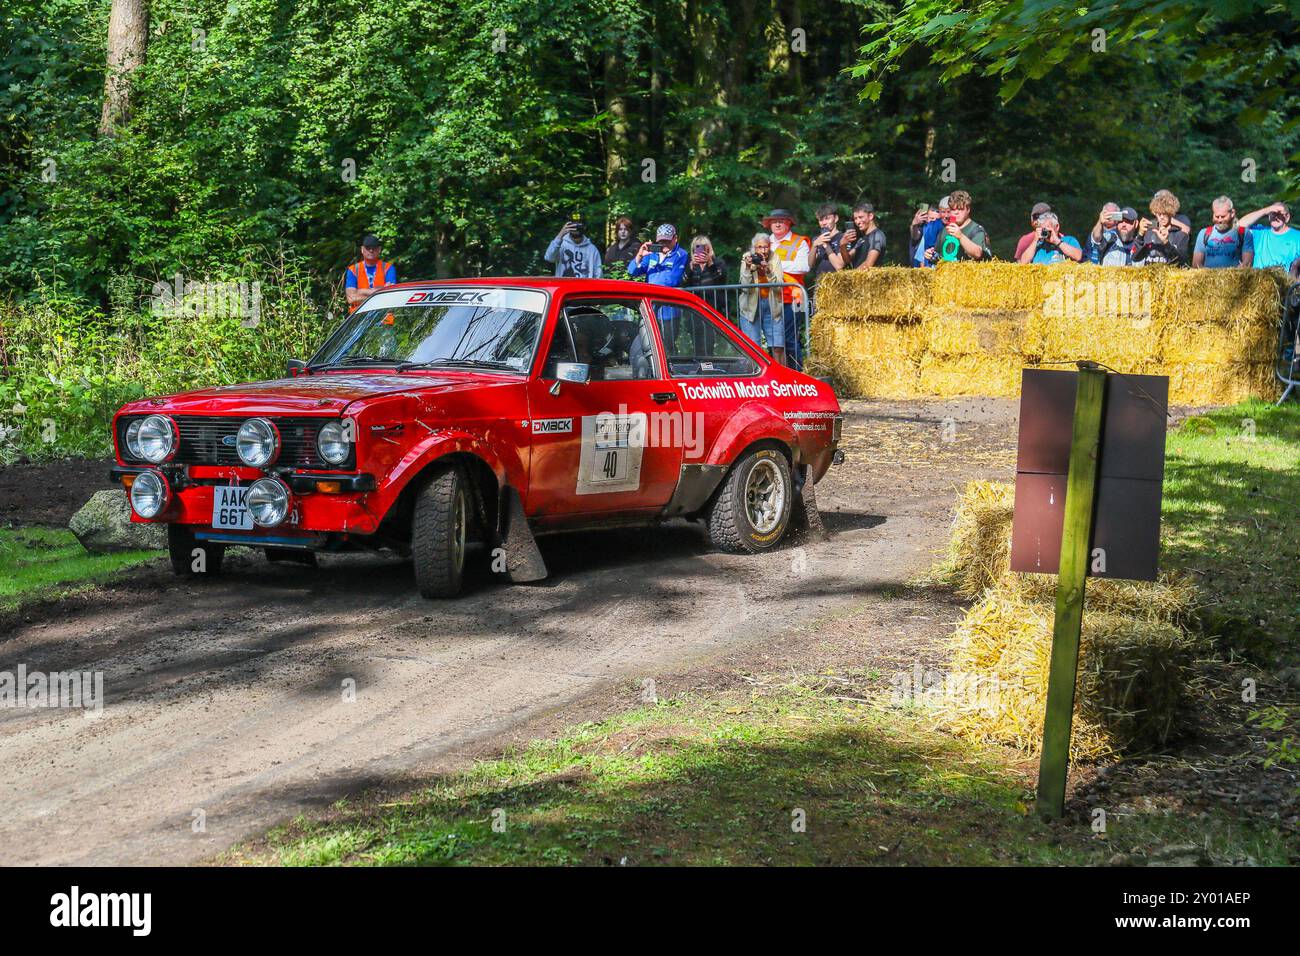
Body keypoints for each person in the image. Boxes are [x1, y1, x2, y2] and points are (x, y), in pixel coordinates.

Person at [628, 223, 690, 347]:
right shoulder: (651, 254)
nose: (664, 244)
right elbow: (632, 271)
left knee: (667, 346)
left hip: (669, 310)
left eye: (667, 241)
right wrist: (640, 255)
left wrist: (653, 281)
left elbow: (672, 280)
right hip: (650, 308)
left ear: (675, 238)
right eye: (661, 241)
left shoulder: (681, 254)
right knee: (648, 344)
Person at [763, 208, 810, 370]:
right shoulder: (764, 242)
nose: (777, 223)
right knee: (773, 340)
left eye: (781, 220)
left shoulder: (800, 241)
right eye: (774, 221)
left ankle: (797, 375)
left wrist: (775, 265)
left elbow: (803, 266)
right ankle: (779, 376)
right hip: (769, 298)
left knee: (790, 338)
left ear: (789, 222)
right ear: (769, 224)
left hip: (793, 297)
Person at [738, 233, 787, 366]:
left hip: (772, 306)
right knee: (752, 348)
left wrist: (768, 271)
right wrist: (748, 268)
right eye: (759, 247)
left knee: (778, 346)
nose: (763, 251)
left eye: (766, 247)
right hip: (750, 307)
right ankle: (756, 381)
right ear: (754, 248)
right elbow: (745, 288)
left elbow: (779, 287)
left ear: (770, 246)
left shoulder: (774, 257)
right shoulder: (747, 257)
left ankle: (782, 379)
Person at [924, 190, 989, 264]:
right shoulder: (944, 230)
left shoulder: (976, 230)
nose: (956, 212)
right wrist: (931, 254)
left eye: (960, 209)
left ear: (968, 209)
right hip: (945, 274)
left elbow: (978, 254)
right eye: (952, 209)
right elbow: (939, 258)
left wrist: (960, 236)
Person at [1192, 196, 1254, 269]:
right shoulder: (1204, 233)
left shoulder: (1243, 233)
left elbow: (1247, 263)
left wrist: (1234, 274)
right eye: (1217, 216)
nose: (1220, 220)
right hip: (1209, 278)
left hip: (1234, 278)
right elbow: (1196, 264)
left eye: (1223, 216)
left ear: (1232, 213)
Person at [1133, 190, 1191, 266]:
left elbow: (1181, 263)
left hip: (1171, 277)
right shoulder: (1149, 232)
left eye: (1165, 213)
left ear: (1171, 213)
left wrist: (1166, 243)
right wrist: (1140, 235)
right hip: (1149, 276)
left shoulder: (1180, 235)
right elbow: (1135, 257)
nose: (1162, 217)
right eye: (1159, 214)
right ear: (1154, 213)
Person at [1237, 202, 1300, 271]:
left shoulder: (1297, 237)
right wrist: (1266, 210)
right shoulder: (1259, 232)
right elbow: (1239, 226)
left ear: (1287, 217)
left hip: (1284, 280)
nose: (1276, 217)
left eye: (1279, 214)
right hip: (1258, 279)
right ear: (1269, 215)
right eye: (1273, 213)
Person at [808, 203, 846, 315]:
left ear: (836, 218)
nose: (824, 223)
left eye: (827, 218)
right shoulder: (817, 239)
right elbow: (810, 264)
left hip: (837, 285)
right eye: (820, 220)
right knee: (818, 320)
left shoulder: (843, 238)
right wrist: (814, 245)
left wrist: (826, 246)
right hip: (820, 284)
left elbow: (839, 265)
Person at [345, 235, 397, 312]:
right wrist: (380, 290)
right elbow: (351, 299)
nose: (371, 250)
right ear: (362, 249)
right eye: (368, 248)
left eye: (374, 248)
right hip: (359, 319)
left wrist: (360, 291)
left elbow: (390, 295)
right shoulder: (353, 270)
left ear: (379, 250)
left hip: (384, 318)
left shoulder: (388, 268)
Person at [1016, 211, 1083, 264]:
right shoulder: (1038, 245)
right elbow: (1023, 263)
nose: (1046, 232)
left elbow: (1080, 257)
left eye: (1048, 229)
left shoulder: (1069, 240)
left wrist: (1057, 242)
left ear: (1057, 227)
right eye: (1043, 229)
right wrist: (1035, 240)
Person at [840, 202, 887, 270]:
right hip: (858, 278)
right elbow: (847, 260)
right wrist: (842, 245)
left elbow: (868, 264)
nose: (858, 221)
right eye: (855, 218)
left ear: (870, 216)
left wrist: (851, 276)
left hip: (869, 279)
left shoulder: (877, 235)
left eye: (860, 217)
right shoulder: (862, 239)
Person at [911, 196, 949, 267]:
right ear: (926, 217)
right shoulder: (924, 230)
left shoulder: (945, 231)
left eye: (937, 220)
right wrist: (914, 224)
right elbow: (915, 236)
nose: (934, 222)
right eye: (931, 218)